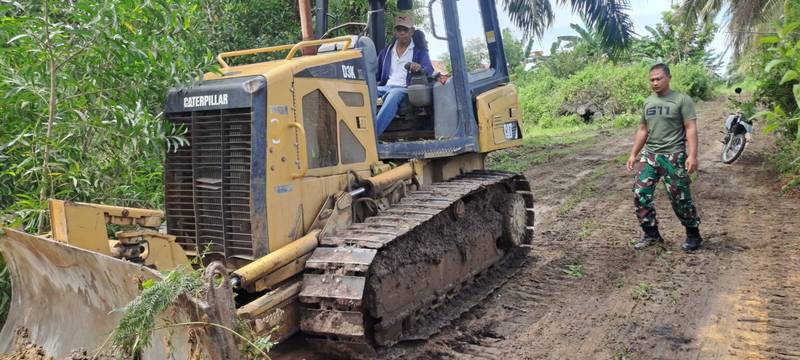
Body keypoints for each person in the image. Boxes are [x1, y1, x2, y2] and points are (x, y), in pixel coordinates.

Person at [626, 63, 703, 252]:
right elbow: (643, 130)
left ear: (668, 78)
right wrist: (634, 154)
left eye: (658, 78)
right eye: (651, 79)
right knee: (640, 194)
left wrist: (692, 155)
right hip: (650, 155)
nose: (655, 83)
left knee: (680, 197)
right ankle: (651, 234)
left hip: (674, 155)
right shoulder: (648, 102)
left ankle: (693, 234)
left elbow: (690, 128)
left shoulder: (681, 100)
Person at [374, 14, 434, 136]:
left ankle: (372, 135)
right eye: (399, 29)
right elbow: (375, 73)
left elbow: (429, 70)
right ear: (395, 32)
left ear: (412, 31)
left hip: (404, 89)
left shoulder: (419, 51)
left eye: (405, 30)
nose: (402, 33)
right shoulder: (386, 52)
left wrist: (419, 67)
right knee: (365, 91)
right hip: (385, 87)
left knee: (394, 94)